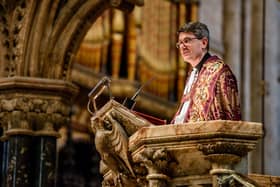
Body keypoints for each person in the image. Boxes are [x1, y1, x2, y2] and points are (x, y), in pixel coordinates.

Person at [172, 21, 241, 124]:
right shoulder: (192, 75)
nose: (182, 46)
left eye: (187, 41)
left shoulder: (220, 72)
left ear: (204, 43)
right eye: (180, 43)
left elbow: (232, 118)